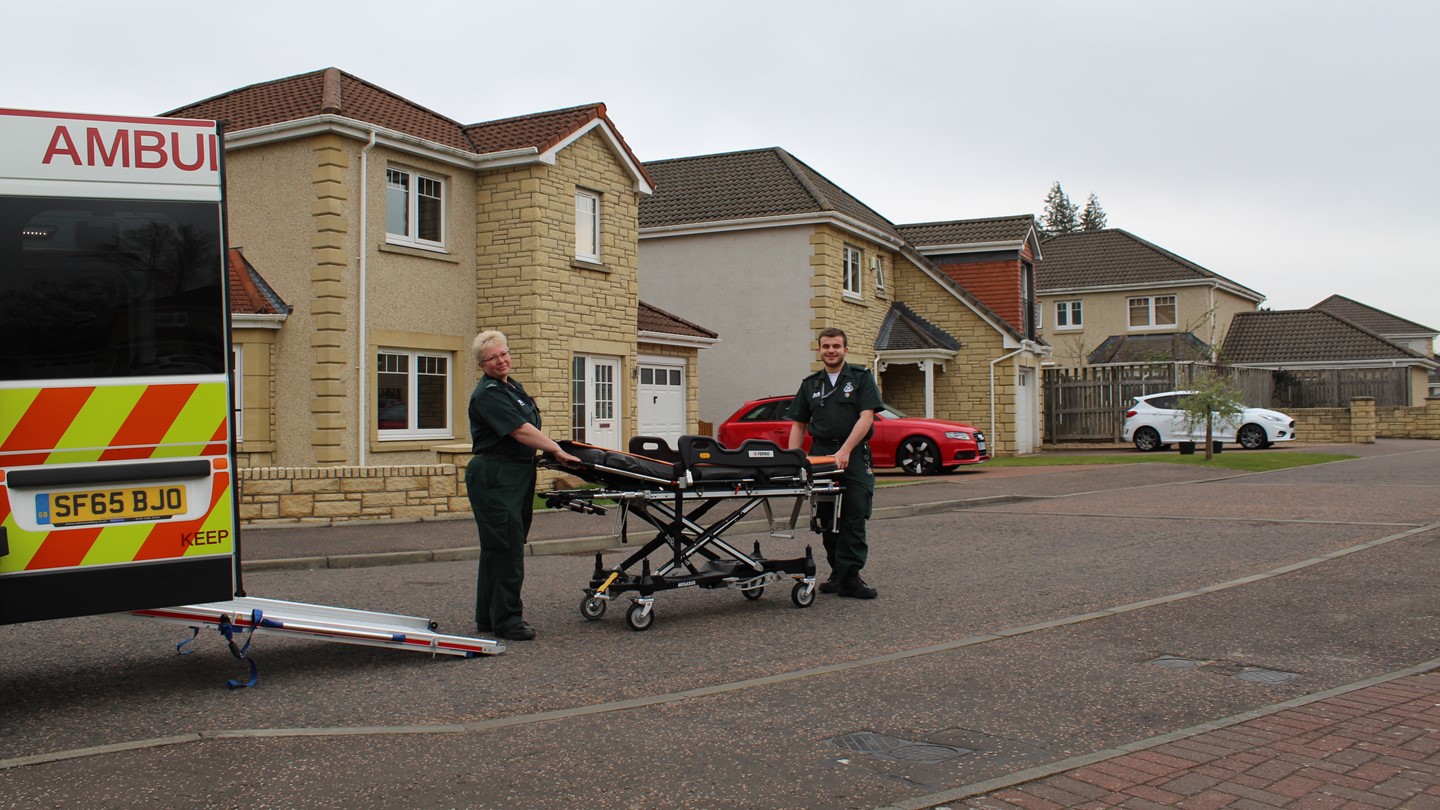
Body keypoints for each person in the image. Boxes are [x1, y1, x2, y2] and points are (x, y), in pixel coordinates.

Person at [465, 330, 579, 641]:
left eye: (503, 354)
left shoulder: (510, 387)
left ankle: (488, 617)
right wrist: (554, 448)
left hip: (517, 473)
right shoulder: (487, 394)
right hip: (496, 475)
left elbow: (529, 428)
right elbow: (519, 430)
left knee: (498, 548)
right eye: (492, 358)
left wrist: (549, 449)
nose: (500, 360)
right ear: (481, 365)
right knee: (506, 546)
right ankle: (507, 620)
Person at [785, 327, 882, 599]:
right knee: (827, 517)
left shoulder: (861, 378)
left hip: (852, 453)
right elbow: (798, 424)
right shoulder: (810, 384)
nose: (831, 350)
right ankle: (837, 573)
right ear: (820, 350)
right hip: (821, 454)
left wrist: (846, 449)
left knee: (853, 513)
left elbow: (866, 417)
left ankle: (851, 577)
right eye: (826, 346)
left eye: (836, 346)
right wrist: (793, 459)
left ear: (845, 350)